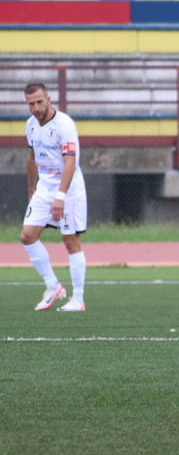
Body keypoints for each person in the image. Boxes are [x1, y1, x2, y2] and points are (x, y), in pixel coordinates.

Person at [21, 83, 87, 312]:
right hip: (44, 188)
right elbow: (31, 158)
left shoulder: (64, 125)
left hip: (68, 189)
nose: (36, 107)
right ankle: (54, 287)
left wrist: (61, 195)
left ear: (48, 99)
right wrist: (32, 191)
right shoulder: (30, 125)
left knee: (70, 241)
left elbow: (71, 161)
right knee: (27, 236)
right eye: (31, 104)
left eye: (40, 102)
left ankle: (78, 299)